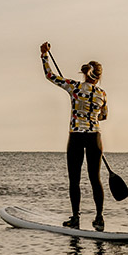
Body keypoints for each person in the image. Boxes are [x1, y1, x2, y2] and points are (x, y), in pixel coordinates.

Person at [41, 42, 108, 230]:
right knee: (95, 179)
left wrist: (44, 55)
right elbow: (104, 116)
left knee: (75, 179)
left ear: (85, 73)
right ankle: (99, 218)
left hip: (77, 136)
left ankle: (76, 218)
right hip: (95, 137)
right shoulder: (102, 94)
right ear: (99, 76)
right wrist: (91, 116)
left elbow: (50, 76)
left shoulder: (74, 87)